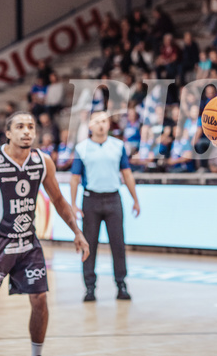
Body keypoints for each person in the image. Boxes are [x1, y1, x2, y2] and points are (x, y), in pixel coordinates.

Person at [0, 112, 90, 356]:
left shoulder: (42, 161)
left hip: (28, 242)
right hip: (0, 242)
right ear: (8, 133)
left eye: (30, 126)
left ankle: (36, 354)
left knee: (40, 299)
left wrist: (77, 232)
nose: (27, 131)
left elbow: (59, 200)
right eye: (20, 127)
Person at [70, 111, 141, 302]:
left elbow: (126, 174)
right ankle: (90, 288)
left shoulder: (118, 146)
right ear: (90, 126)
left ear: (109, 125)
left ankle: (121, 284)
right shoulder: (81, 148)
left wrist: (135, 199)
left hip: (113, 199)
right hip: (90, 200)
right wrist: (73, 204)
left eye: (104, 121)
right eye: (97, 122)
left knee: (118, 244)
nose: (101, 125)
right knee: (88, 245)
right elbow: (75, 178)